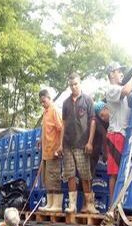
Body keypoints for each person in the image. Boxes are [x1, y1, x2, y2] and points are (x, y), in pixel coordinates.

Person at [103, 62, 132, 199]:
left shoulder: (119, 90)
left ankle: (119, 201)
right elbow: (125, 90)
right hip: (116, 134)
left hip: (124, 134)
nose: (121, 74)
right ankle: (112, 206)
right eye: (119, 71)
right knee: (114, 172)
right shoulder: (111, 89)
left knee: (122, 170)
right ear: (111, 74)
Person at [61, 73, 98, 214]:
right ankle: (72, 205)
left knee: (85, 175)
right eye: (71, 85)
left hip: (82, 144)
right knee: (70, 175)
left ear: (80, 83)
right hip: (67, 144)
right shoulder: (65, 103)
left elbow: (93, 121)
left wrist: (90, 142)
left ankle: (89, 205)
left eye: (75, 84)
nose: (73, 87)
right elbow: (63, 125)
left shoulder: (88, 100)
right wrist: (60, 144)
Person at [37, 89, 63, 212]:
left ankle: (56, 205)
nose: (43, 104)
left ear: (49, 98)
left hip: (54, 151)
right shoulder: (45, 112)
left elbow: (61, 128)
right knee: (47, 179)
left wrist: (60, 147)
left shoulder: (54, 110)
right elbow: (46, 130)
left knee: (54, 177)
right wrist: (40, 140)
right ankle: (49, 203)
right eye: (41, 102)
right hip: (45, 152)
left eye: (44, 101)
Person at [90, 101, 111, 181]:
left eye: (102, 115)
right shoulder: (97, 122)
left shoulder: (109, 122)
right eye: (100, 116)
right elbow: (104, 138)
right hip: (93, 153)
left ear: (106, 108)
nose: (103, 118)